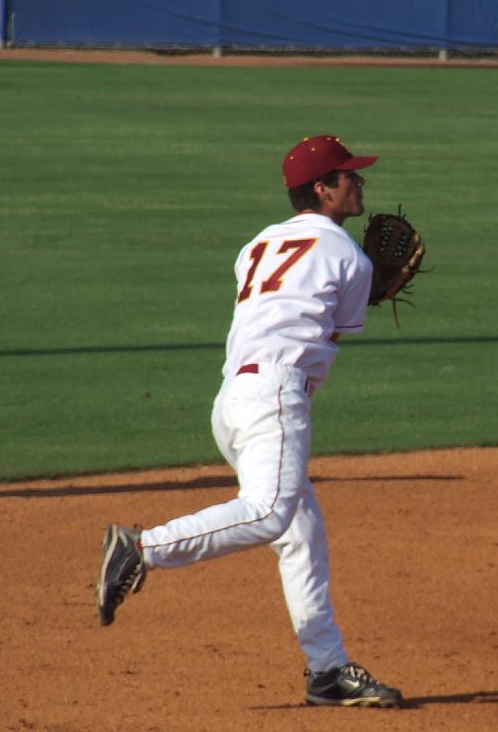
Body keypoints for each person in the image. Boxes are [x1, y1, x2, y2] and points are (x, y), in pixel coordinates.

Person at [95, 135, 402, 708]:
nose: (360, 184)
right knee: (269, 513)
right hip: (276, 398)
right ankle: (142, 548)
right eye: (349, 177)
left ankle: (328, 671)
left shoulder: (257, 243)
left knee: (300, 534)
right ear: (322, 189)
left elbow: (288, 307)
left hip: (232, 400)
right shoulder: (347, 256)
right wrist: (374, 288)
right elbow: (335, 330)